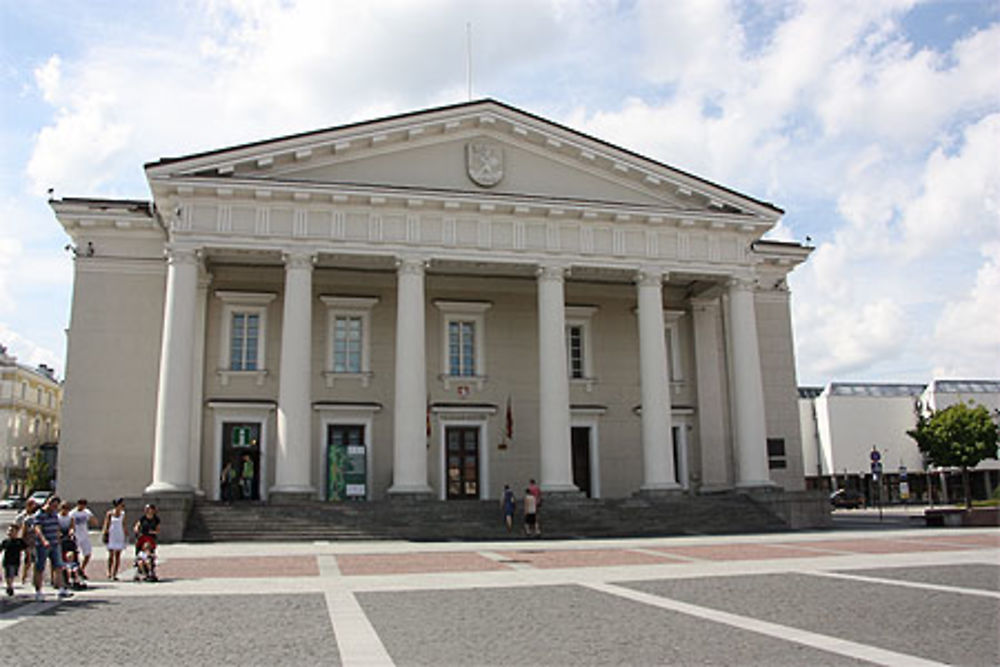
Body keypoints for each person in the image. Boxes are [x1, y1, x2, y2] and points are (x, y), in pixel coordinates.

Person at [32, 495, 73, 600]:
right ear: (48, 503)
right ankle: (38, 591)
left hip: (55, 543)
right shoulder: (39, 514)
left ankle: (60, 589)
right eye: (53, 505)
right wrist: (43, 540)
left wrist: (58, 537)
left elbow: (56, 526)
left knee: (58, 566)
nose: (54, 508)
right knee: (40, 567)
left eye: (56, 506)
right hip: (43, 545)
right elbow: (37, 529)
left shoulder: (54, 514)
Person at [69, 499, 96, 580]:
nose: (83, 506)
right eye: (81, 504)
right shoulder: (73, 513)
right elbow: (71, 524)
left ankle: (82, 568)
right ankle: (74, 571)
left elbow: (93, 520)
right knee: (75, 554)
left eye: (84, 505)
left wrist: (93, 521)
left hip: (85, 535)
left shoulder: (87, 512)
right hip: (76, 535)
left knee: (88, 554)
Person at [13, 498, 38, 583]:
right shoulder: (21, 516)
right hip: (21, 540)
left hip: (31, 541)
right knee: (22, 559)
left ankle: (28, 577)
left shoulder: (35, 516)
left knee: (31, 560)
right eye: (31, 505)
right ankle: (20, 576)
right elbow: (15, 527)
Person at [102, 498, 127, 580]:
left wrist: (126, 533)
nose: (122, 506)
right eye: (121, 504)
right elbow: (106, 524)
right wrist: (105, 533)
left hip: (119, 534)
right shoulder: (110, 513)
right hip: (112, 534)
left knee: (118, 555)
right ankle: (109, 572)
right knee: (111, 555)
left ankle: (115, 573)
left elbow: (123, 524)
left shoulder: (123, 514)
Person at [1, 524, 27, 596]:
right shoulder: (6, 541)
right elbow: (1, 549)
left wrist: (28, 557)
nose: (10, 532)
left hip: (16, 561)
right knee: (8, 573)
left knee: (13, 573)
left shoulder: (19, 541)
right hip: (7, 561)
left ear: (17, 532)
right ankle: (9, 586)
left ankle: (10, 585)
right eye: (9, 531)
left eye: (12, 531)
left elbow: (26, 549)